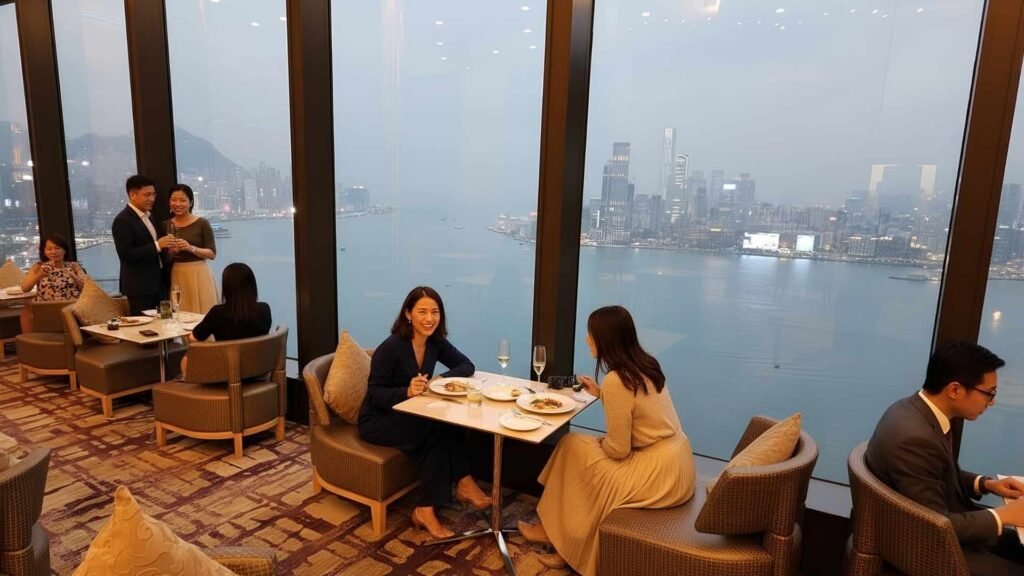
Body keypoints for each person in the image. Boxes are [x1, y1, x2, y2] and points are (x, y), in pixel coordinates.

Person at [518, 305, 696, 575]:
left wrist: (600, 442)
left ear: (605, 339)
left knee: (582, 461)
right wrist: (602, 395)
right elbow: (642, 411)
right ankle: (551, 532)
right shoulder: (645, 365)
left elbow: (618, 450)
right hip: (678, 464)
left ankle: (563, 545)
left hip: (654, 473)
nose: (587, 339)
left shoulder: (617, 380)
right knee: (573, 446)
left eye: (590, 334)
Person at [866, 341, 1024, 575]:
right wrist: (1005, 515)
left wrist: (986, 484)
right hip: (926, 549)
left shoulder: (914, 410)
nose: (992, 402)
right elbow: (936, 523)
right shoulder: (914, 439)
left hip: (936, 528)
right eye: (989, 393)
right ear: (954, 390)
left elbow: (934, 473)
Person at [357, 286, 492, 539]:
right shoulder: (391, 347)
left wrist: (439, 379)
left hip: (410, 413)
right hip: (379, 418)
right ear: (408, 314)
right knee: (435, 431)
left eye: (435, 312)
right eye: (422, 312)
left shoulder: (435, 342)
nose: (429, 318)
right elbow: (375, 394)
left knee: (449, 422)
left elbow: (467, 365)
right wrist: (405, 392)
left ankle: (461, 485)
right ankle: (428, 507)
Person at [181, 263, 272, 376]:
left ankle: (187, 389)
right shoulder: (264, 309)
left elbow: (194, 338)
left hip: (226, 375)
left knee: (189, 355)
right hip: (259, 372)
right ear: (252, 285)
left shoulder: (218, 312)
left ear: (226, 287)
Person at [112, 175, 177, 315]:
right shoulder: (122, 220)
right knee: (145, 331)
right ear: (132, 195)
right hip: (139, 287)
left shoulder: (149, 216)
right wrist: (157, 245)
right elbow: (126, 254)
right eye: (147, 195)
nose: (152, 199)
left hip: (159, 283)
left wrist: (169, 250)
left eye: (153, 194)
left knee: (165, 326)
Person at [164, 184, 218, 314]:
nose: (177, 204)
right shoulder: (165, 225)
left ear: (191, 202)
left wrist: (190, 248)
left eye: (183, 200)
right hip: (177, 273)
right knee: (181, 314)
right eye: (174, 200)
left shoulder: (202, 223)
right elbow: (164, 258)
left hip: (200, 273)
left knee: (204, 315)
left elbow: (212, 254)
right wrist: (171, 252)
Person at [18, 234, 87, 332]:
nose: (53, 252)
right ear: (44, 251)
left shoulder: (74, 266)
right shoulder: (38, 267)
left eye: (57, 248)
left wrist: (74, 276)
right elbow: (25, 288)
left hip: (70, 308)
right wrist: (39, 275)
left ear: (64, 250)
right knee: (26, 311)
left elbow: (86, 288)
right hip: (47, 308)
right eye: (49, 249)